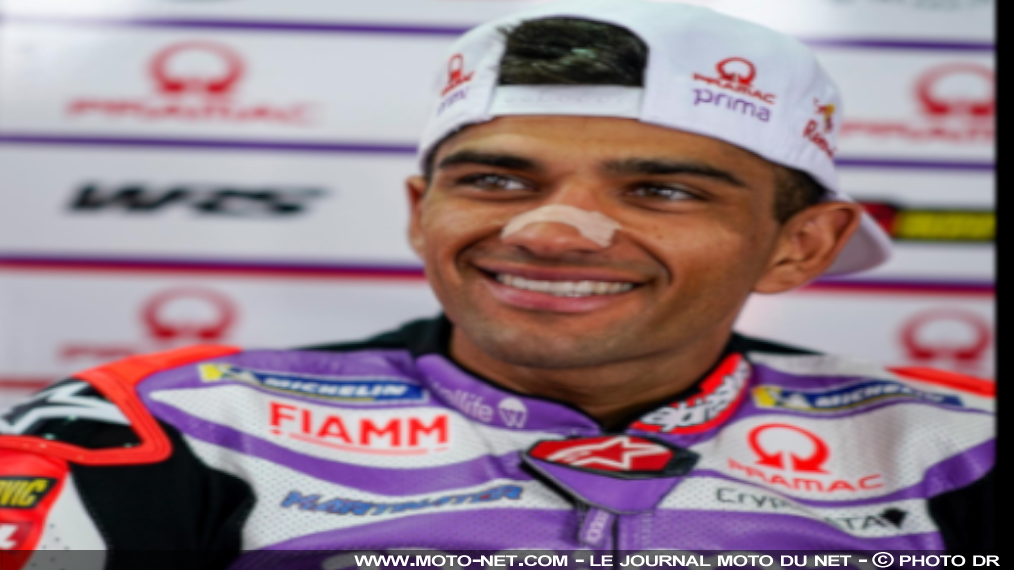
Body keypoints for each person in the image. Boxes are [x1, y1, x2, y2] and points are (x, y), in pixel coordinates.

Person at [0, 1, 993, 568]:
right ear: (419, 209)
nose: (550, 232)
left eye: (662, 190)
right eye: (495, 180)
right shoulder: (155, 425)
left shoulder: (958, 449)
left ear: (800, 246)